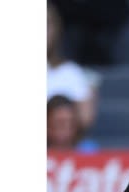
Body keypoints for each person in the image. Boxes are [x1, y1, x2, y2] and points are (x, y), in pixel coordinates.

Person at [48, 2, 99, 133]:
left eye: (47, 24)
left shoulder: (71, 72)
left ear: (56, 29)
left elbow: (85, 119)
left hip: (64, 150)